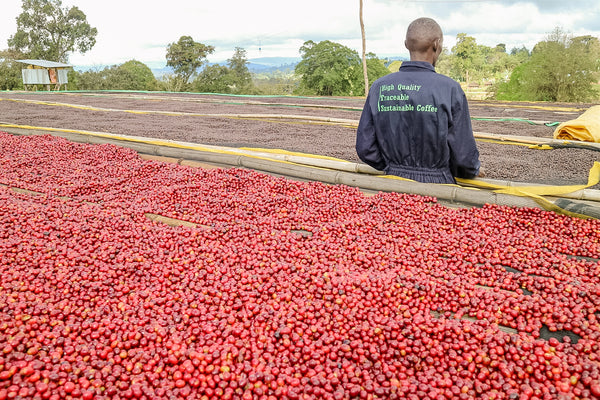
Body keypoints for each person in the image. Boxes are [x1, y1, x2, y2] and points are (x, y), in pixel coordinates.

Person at [356, 17, 482, 184]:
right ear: (437, 44)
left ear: (406, 44)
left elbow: (365, 147)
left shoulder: (379, 87)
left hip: (392, 184)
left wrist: (392, 167)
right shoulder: (450, 89)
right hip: (438, 187)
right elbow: (463, 157)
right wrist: (472, 170)